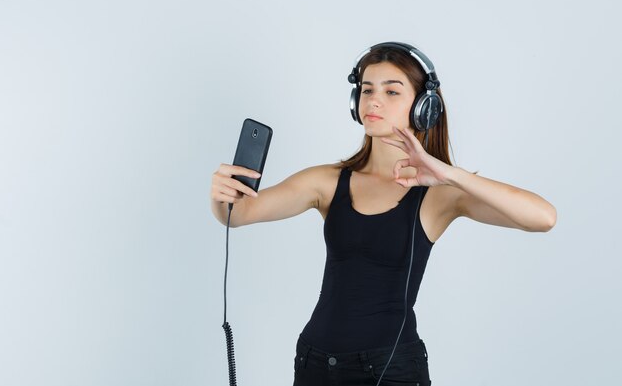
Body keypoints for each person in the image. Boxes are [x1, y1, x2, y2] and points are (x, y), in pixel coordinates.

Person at [210, 42, 557, 386]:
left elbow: (543, 218)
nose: (374, 100)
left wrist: (449, 174)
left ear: (424, 108)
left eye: (392, 92)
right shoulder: (327, 182)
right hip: (314, 363)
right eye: (366, 90)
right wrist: (222, 193)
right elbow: (237, 215)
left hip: (390, 371)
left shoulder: (440, 195)